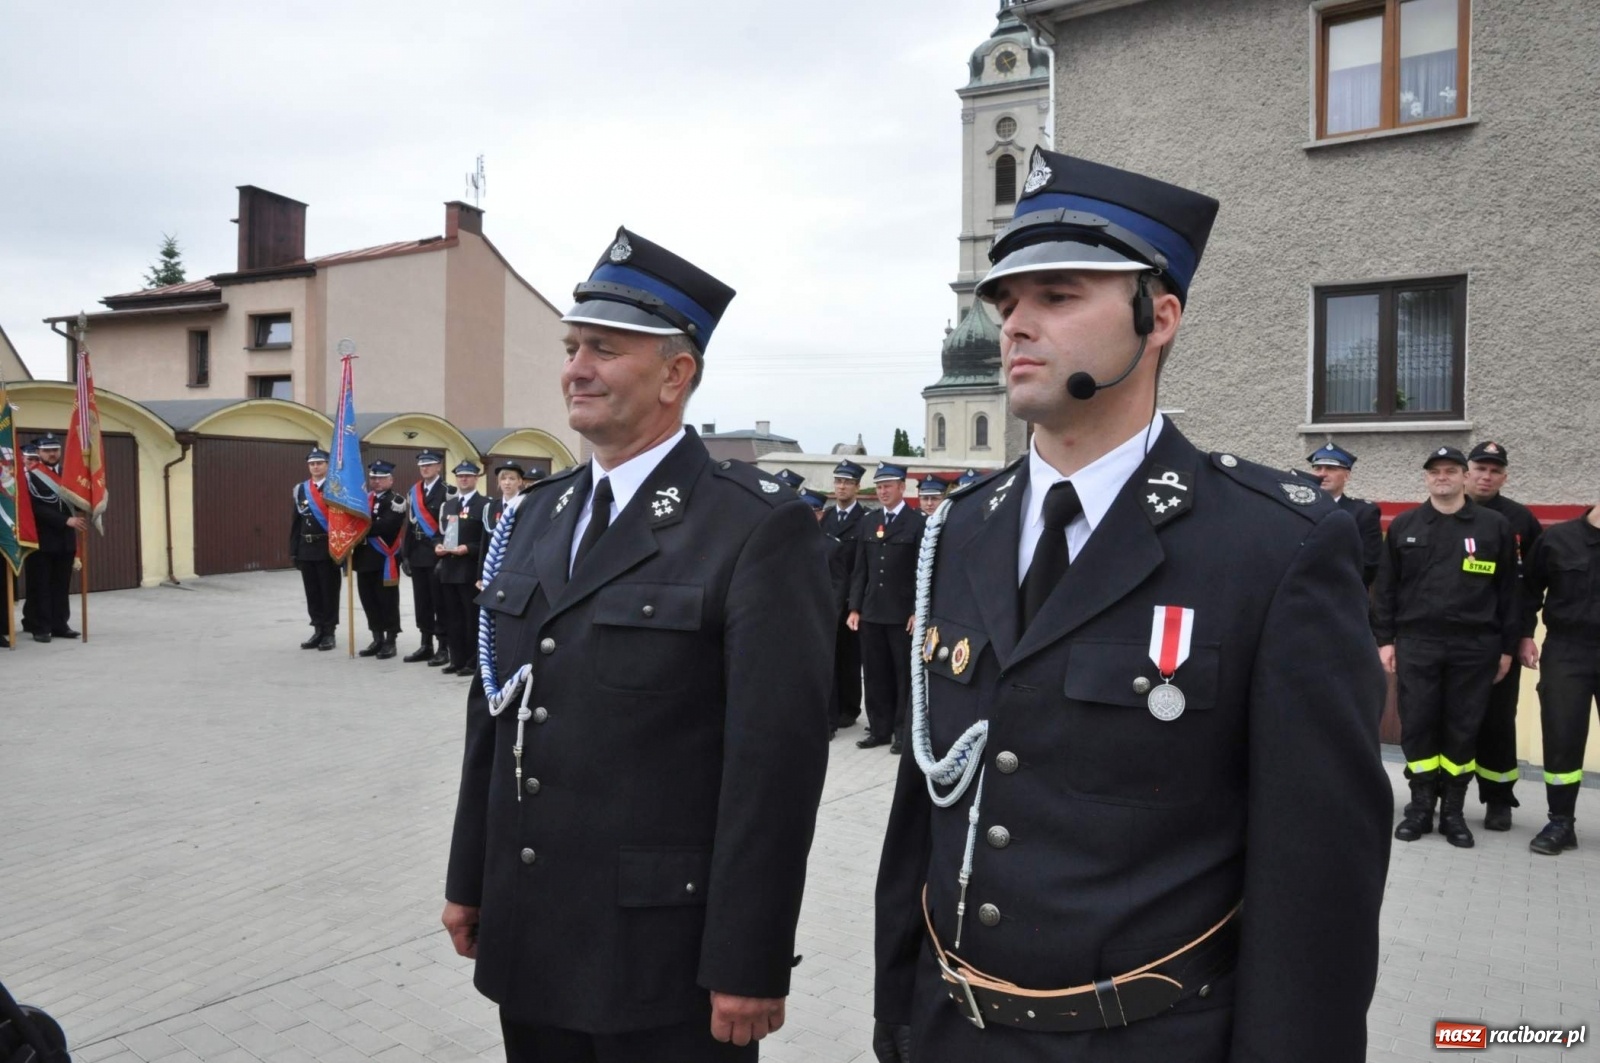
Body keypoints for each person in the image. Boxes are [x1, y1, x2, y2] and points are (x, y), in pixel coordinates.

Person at [871, 148, 1391, 1063]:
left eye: (1059, 296)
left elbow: (1318, 873)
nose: (1017, 324)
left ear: (1161, 317)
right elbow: (926, 800)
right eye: (1006, 303)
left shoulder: (1274, 545)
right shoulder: (958, 531)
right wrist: (897, 1011)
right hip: (953, 1030)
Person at [444, 226, 832, 1063]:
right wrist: (469, 877)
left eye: (604, 349)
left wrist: (750, 957)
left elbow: (775, 768)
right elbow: (497, 708)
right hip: (532, 933)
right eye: (572, 345)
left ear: (675, 372)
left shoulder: (756, 526)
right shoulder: (534, 515)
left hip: (664, 959)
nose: (576, 366)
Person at [1373, 446, 1519, 849]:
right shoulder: (1405, 525)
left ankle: (1453, 811)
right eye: (1435, 471)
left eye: (1451, 471)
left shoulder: (1493, 527)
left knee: (1462, 727)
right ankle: (1420, 807)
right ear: (1426, 478)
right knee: (1417, 724)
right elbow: (1385, 589)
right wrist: (1385, 640)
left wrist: (1507, 647)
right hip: (1418, 643)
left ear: (1464, 477)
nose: (1443, 477)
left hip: (1476, 646)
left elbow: (1509, 592)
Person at [1463, 440, 1544, 831]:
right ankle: (1446, 797)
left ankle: (1498, 799)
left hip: (1500, 637)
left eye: (1495, 470)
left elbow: (1530, 588)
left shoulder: (1521, 520)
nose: (1486, 476)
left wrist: (1523, 636)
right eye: (1480, 468)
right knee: (1451, 719)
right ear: (1467, 472)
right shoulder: (1441, 513)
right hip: (1452, 638)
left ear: (1504, 476)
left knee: (1497, 720)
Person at [1519, 500, 1600, 855]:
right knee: (1562, 734)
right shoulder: (1559, 539)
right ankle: (1560, 823)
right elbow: (1529, 592)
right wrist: (1524, 635)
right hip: (1569, 650)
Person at [848, 463, 926, 754]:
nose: (882, 491)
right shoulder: (869, 523)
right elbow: (860, 570)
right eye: (879, 487)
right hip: (872, 612)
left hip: (902, 615)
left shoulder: (916, 523)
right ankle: (879, 730)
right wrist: (855, 607)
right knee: (875, 674)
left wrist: (918, 610)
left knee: (903, 675)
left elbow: (923, 571)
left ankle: (902, 732)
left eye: (888, 486)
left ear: (902, 487)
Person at [21, 437, 84, 642]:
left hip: (65, 540)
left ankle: (59, 624)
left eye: (55, 450)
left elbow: (77, 500)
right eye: (47, 451)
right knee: (40, 585)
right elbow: (34, 508)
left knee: (60, 585)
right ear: (38, 453)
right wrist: (65, 520)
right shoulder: (29, 477)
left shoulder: (69, 474)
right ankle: (39, 626)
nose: (52, 454)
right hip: (41, 539)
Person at [823, 460, 868, 732]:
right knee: (830, 656)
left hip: (851, 599)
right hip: (827, 598)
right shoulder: (825, 518)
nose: (841, 486)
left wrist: (856, 603)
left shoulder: (864, 520)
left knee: (849, 659)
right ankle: (833, 706)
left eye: (847, 482)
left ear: (857, 487)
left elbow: (864, 565)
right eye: (838, 481)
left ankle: (849, 708)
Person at [436, 460, 490, 676]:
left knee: (471, 619)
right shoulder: (448, 505)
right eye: (460, 476)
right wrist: (437, 546)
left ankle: (472, 661)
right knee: (452, 618)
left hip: (469, 571)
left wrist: (468, 548)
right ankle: (456, 659)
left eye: (468, 476)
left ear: (476, 478)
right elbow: (439, 534)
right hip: (448, 569)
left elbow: (486, 541)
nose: (464, 479)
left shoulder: (485, 505)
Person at [1307, 443, 1383, 588]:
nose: (1322, 473)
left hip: (1342, 595)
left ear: (1347, 476)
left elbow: (1368, 565)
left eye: (1331, 468)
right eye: (1318, 468)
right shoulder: (1301, 509)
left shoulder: (1363, 513)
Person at [403, 450, 454, 665]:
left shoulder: (448, 492)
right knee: (422, 602)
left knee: (439, 603)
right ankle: (426, 644)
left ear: (439, 467)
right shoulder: (414, 491)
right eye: (422, 465)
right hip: (417, 555)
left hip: (436, 555)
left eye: (430, 464)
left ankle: (443, 647)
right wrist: (404, 555)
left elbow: (451, 528)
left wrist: (445, 556)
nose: (425, 468)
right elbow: (410, 525)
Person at [354, 460, 407, 660]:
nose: (376, 481)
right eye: (374, 478)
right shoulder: (363, 500)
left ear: (391, 480)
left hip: (383, 559)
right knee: (368, 600)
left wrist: (357, 527)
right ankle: (376, 638)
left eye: (381, 478)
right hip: (363, 559)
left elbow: (386, 526)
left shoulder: (396, 501)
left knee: (387, 601)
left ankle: (390, 640)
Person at [289, 446, 340, 651]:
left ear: (327, 465)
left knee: (329, 592)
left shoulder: (336, 487)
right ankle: (317, 629)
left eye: (319, 463)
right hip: (306, 547)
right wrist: (294, 551)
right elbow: (296, 522)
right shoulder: (301, 489)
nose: (315, 466)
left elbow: (342, 521)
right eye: (312, 463)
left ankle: (329, 632)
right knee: (312, 592)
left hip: (327, 547)